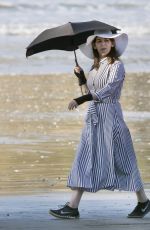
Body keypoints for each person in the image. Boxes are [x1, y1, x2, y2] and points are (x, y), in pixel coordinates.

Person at [49, 30, 150, 219]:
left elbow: (108, 90)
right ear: (94, 45)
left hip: (112, 118)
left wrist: (80, 99)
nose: (103, 44)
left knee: (124, 159)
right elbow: (90, 90)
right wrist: (81, 78)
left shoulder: (117, 65)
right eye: (99, 42)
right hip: (94, 119)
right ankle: (72, 206)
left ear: (112, 44)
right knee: (85, 157)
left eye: (106, 41)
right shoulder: (94, 68)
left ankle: (144, 202)